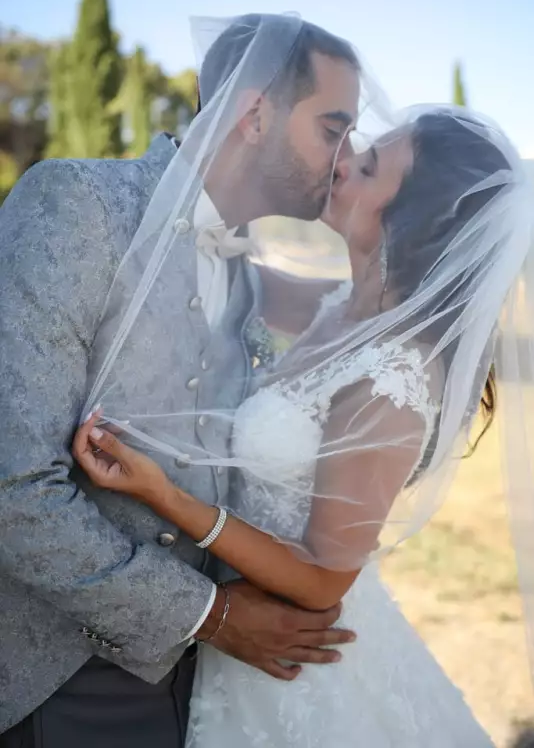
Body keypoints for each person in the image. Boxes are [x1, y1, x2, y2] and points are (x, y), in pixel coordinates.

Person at [74, 108, 533, 746]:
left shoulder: (390, 382)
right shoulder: (340, 306)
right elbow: (228, 264)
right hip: (236, 646)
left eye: (369, 167)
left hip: (302, 666)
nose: (344, 160)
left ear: (411, 222)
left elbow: (322, 578)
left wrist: (166, 496)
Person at [0, 14, 363, 746]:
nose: (347, 158)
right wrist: (211, 615)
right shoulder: (78, 205)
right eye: (334, 128)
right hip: (60, 678)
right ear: (255, 115)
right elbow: (13, 484)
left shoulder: (252, 275)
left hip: (205, 689)